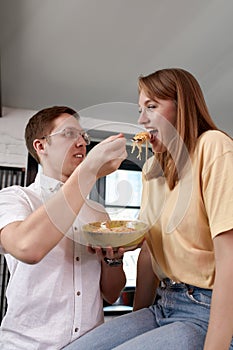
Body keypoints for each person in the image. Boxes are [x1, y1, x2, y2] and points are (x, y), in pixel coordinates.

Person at [63, 68, 233, 350]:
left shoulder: (214, 147)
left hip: (206, 308)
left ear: (182, 106)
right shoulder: (153, 169)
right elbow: (149, 251)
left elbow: (230, 258)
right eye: (141, 109)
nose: (141, 119)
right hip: (164, 304)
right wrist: (139, 321)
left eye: (152, 107)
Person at [0, 106, 128, 349]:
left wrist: (113, 261)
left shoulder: (98, 213)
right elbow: (27, 247)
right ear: (41, 146)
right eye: (69, 134)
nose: (81, 142)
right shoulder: (14, 198)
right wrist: (89, 171)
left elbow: (111, 294)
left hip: (93, 343)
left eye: (84, 137)